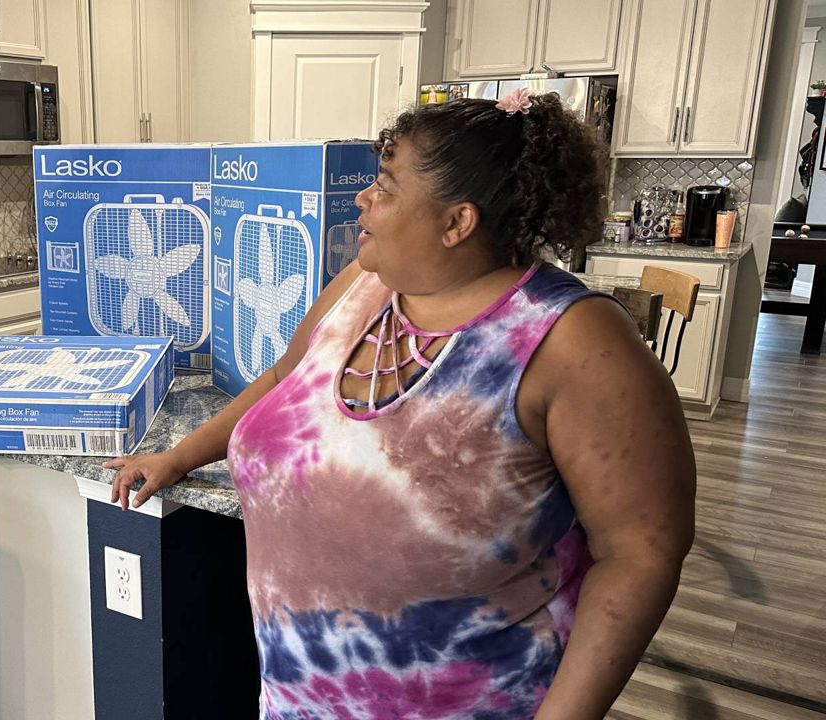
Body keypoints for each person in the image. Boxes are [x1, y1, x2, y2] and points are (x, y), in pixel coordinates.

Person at [107, 89, 696, 719]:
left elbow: (640, 553)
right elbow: (285, 375)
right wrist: (179, 454)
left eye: (385, 185)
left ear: (456, 222)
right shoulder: (364, 284)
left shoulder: (572, 341)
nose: (363, 198)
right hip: (297, 698)